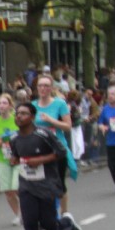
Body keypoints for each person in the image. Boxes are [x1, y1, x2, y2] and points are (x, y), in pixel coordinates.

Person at [8, 103, 84, 230]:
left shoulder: (43, 134)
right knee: (29, 224)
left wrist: (40, 160)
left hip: (46, 184)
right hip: (26, 185)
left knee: (50, 226)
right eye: (17, 113)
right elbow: (16, 156)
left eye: (24, 113)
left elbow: (61, 152)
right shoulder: (14, 138)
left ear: (32, 117)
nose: (19, 116)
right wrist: (14, 160)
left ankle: (68, 224)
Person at [31, 74, 75, 214]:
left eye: (46, 86)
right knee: (43, 183)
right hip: (39, 150)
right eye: (40, 86)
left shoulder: (60, 104)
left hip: (57, 149)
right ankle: (49, 213)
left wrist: (52, 121)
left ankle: (64, 213)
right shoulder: (33, 105)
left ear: (51, 88)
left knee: (59, 183)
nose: (43, 88)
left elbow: (68, 126)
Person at [0, 94, 20, 225]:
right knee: (8, 190)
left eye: (4, 103)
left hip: (18, 157)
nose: (1, 106)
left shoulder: (17, 120)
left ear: (10, 105)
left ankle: (29, 211)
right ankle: (18, 215)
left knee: (16, 187)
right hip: (3, 157)